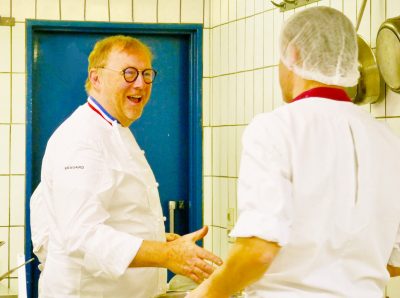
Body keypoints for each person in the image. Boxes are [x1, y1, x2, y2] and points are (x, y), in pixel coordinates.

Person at [187, 6, 400, 298]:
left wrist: (203, 295)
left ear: (293, 54)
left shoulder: (274, 128)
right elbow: (395, 260)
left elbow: (258, 251)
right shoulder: (387, 140)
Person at [30, 35, 222, 298]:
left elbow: (101, 212)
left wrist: (153, 237)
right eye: (129, 73)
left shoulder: (115, 130)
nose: (141, 83)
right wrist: (165, 255)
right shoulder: (81, 139)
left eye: (146, 74)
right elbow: (80, 235)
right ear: (96, 78)